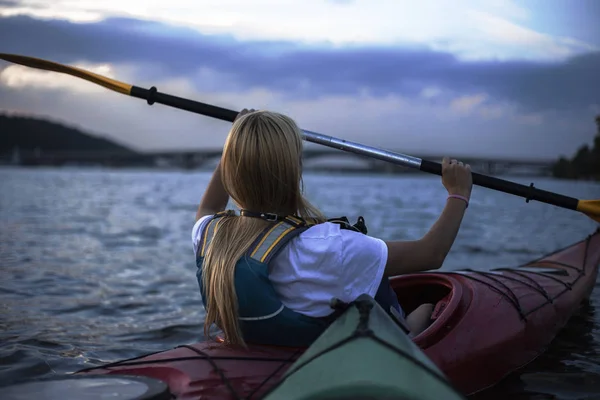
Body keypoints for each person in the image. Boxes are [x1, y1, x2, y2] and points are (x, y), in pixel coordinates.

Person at [192, 108, 473, 348]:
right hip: (326, 352)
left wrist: (237, 144)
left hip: (261, 347)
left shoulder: (210, 234)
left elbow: (206, 209)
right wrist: (458, 193)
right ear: (295, 169)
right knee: (424, 307)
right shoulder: (328, 246)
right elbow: (431, 254)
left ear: (230, 166)